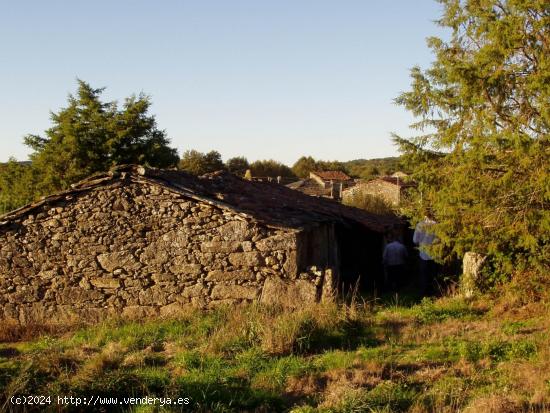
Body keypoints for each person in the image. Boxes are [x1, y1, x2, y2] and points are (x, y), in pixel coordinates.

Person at [413, 216, 437, 295]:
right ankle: (434, 292)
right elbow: (439, 239)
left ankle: (424, 294)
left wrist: (421, 243)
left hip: (423, 254)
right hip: (434, 253)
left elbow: (415, 240)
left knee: (423, 275)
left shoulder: (420, 225)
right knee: (433, 274)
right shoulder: (436, 224)